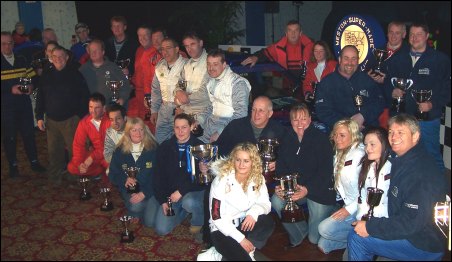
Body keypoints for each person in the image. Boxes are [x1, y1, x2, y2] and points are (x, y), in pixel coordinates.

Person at [348, 114, 447, 261]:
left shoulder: (420, 173)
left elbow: (411, 222)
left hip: (424, 243)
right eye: (391, 132)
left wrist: (370, 227)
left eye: (401, 132)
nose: (394, 137)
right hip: (416, 231)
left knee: (357, 238)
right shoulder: (404, 159)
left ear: (415, 136)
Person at [385, 23, 450, 172]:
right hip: (400, 116)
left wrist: (432, 104)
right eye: (412, 34)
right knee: (398, 154)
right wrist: (392, 91)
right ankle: (400, 189)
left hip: (426, 118)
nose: (414, 38)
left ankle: (440, 192)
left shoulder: (440, 60)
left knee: (431, 155)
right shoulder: (398, 58)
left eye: (419, 34)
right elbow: (387, 82)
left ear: (427, 36)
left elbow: (447, 89)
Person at [271, 103, 336, 248]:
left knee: (314, 240)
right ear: (290, 121)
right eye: (295, 120)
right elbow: (281, 168)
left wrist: (307, 189)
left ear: (310, 119)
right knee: (276, 201)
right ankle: (299, 233)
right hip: (296, 188)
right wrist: (281, 187)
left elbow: (326, 173)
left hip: (319, 190)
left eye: (303, 119)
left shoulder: (321, 139)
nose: (299, 123)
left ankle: (334, 209)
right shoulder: (287, 138)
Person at [208, 142, 275, 261]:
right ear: (233, 160)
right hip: (223, 229)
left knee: (267, 221)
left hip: (244, 223)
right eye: (238, 160)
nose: (241, 165)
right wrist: (241, 239)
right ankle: (223, 253)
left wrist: (253, 213)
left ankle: (242, 250)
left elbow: (266, 204)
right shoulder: (221, 181)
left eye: (246, 161)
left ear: (253, 162)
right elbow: (216, 217)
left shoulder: (258, 178)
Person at [36, 45, 90, 185]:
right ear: (51, 59)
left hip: (71, 120)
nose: (58, 59)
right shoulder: (46, 75)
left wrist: (81, 116)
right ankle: (55, 178)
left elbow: (84, 96)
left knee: (75, 151)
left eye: (61, 56)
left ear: (67, 58)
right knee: (54, 152)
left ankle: (76, 177)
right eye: (55, 57)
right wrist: (39, 116)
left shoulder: (75, 74)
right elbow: (40, 97)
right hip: (51, 121)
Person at [342, 126, 392, 260]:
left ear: (385, 145)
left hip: (386, 226)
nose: (367, 148)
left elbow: (391, 207)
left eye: (372, 144)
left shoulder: (393, 169)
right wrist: (362, 219)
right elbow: (362, 199)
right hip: (366, 220)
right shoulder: (367, 167)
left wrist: (370, 225)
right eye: (365, 145)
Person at [1, 31, 46, 178]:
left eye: (10, 43)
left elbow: (33, 78)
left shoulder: (21, 58)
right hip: (6, 107)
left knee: (29, 135)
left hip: (24, 105)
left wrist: (32, 86)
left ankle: (34, 162)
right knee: (10, 137)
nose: (7, 46)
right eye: (3, 43)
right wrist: (10, 89)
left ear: (13, 44)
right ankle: (13, 166)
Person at [317, 119, 364, 254]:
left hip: (359, 208)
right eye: (335, 135)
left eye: (342, 135)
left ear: (353, 135)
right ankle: (352, 238)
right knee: (323, 245)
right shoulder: (340, 152)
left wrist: (348, 209)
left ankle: (361, 239)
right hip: (346, 204)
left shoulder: (360, 156)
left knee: (323, 229)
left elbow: (366, 193)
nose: (337, 139)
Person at [153, 113, 205, 236]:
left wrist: (181, 191)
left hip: (192, 191)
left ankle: (198, 219)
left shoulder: (200, 147)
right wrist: (163, 201)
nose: (180, 131)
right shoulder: (165, 147)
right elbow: (158, 176)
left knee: (190, 202)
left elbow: (201, 179)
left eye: (184, 127)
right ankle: (183, 211)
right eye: (177, 127)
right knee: (161, 229)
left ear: (191, 127)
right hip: (172, 195)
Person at [315, 45, 385, 132]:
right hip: (340, 133)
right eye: (346, 58)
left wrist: (363, 116)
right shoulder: (327, 82)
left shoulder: (367, 80)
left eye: (353, 59)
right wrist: (349, 124)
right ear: (340, 60)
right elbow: (322, 111)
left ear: (358, 61)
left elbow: (379, 102)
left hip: (368, 133)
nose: (350, 62)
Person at [109, 117, 159, 227]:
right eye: (134, 130)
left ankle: (143, 209)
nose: (138, 133)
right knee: (136, 206)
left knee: (149, 223)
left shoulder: (154, 148)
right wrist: (124, 179)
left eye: (141, 129)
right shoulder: (119, 150)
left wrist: (145, 193)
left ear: (145, 131)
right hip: (129, 191)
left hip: (150, 190)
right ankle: (136, 210)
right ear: (128, 132)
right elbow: (112, 174)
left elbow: (159, 176)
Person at [241, 20, 314, 93]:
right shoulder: (278, 47)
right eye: (290, 30)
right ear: (286, 33)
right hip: (287, 88)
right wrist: (256, 57)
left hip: (308, 87)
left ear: (300, 33)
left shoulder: (311, 46)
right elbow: (264, 53)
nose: (293, 33)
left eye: (296, 30)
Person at [196, 49, 251, 143]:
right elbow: (212, 107)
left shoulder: (237, 83)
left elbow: (241, 114)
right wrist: (198, 120)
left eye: (215, 64)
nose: (211, 68)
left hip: (229, 130)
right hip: (209, 129)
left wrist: (220, 132)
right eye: (208, 64)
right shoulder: (211, 81)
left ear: (224, 65)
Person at [367, 21, 409, 127]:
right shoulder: (377, 51)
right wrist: (370, 75)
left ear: (404, 34)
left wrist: (385, 81)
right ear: (387, 33)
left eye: (397, 33)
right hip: (375, 104)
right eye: (391, 32)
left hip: (395, 106)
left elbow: (407, 81)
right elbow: (367, 70)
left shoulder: (409, 54)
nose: (393, 36)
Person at [215, 96, 286, 157]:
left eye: (261, 111)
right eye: (254, 110)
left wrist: (277, 164)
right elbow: (218, 149)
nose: (256, 114)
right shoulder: (236, 126)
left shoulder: (279, 130)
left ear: (270, 114)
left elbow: (286, 154)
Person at [150, 37, 188, 144]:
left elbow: (192, 90)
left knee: (181, 141)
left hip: (181, 109)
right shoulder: (159, 66)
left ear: (177, 49)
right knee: (159, 142)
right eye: (162, 49)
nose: (165, 52)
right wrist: (154, 111)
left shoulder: (187, 65)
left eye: (168, 48)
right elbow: (155, 90)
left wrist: (183, 108)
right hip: (164, 109)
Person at [67, 93, 110, 184]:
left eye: (97, 108)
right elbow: (78, 145)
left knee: (110, 165)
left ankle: (103, 172)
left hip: (110, 154)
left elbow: (109, 147)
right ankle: (98, 171)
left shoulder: (111, 120)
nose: (93, 111)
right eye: (90, 107)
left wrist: (92, 157)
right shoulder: (84, 122)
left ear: (104, 108)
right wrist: (80, 164)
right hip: (97, 155)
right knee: (72, 166)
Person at [127, 25, 161, 133]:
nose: (142, 38)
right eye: (139, 35)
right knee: (142, 127)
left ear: (151, 36)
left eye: (145, 35)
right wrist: (131, 81)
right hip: (139, 96)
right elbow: (139, 73)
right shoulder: (139, 50)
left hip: (152, 96)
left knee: (153, 126)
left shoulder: (158, 51)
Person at [79, 39, 130, 106]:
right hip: (91, 110)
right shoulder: (83, 69)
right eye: (91, 51)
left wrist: (122, 98)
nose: (93, 53)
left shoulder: (113, 67)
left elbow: (125, 86)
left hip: (111, 108)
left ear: (103, 52)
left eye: (96, 50)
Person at [173, 31, 210, 118]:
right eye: (186, 46)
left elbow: (205, 93)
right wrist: (178, 92)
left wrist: (179, 101)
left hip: (203, 113)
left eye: (192, 44)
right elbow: (180, 84)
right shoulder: (187, 65)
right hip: (185, 111)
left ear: (200, 43)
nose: (189, 49)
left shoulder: (211, 63)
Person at [104, 104, 127, 174]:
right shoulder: (110, 133)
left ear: (125, 118)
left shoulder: (135, 128)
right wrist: (121, 162)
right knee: (109, 171)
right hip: (120, 163)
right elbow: (107, 155)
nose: (115, 123)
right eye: (111, 120)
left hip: (137, 161)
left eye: (118, 118)